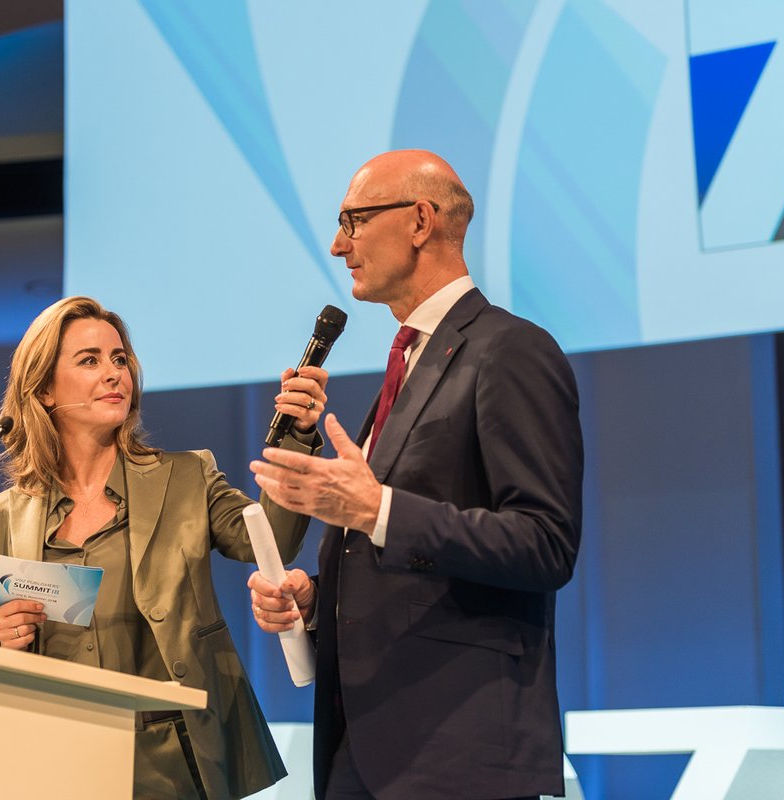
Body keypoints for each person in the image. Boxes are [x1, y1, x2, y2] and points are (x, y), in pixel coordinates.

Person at [248, 150, 583, 800]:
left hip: (456, 750)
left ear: (420, 220)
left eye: (353, 220)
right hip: (369, 744)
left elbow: (545, 543)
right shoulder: (410, 359)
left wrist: (378, 512)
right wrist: (317, 599)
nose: (337, 243)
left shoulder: (509, 350)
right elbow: (400, 557)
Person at [0, 295, 327, 800]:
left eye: (120, 359)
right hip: (58, 759)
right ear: (45, 390)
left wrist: (298, 436)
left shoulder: (185, 477)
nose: (115, 373)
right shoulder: (4, 514)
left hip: (175, 760)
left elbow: (273, 539)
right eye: (90, 360)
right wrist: (2, 641)